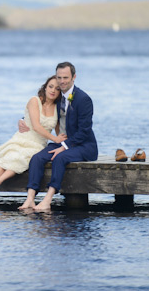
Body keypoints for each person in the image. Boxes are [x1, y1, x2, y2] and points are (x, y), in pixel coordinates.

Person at [18, 61, 98, 211]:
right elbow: (40, 111)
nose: (61, 81)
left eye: (65, 78)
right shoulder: (57, 96)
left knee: (60, 157)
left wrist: (64, 147)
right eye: (59, 77)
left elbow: (85, 130)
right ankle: (30, 199)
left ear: (74, 77)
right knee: (37, 158)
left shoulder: (83, 99)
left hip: (84, 145)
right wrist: (22, 119)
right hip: (63, 141)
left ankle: (48, 200)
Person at [0, 76, 67, 198]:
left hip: (38, 144)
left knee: (22, 157)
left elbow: (59, 131)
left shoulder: (57, 108)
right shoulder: (34, 101)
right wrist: (55, 139)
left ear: (60, 92)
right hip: (23, 138)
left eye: (57, 89)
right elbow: (36, 126)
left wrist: (65, 141)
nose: (53, 91)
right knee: (10, 154)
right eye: (50, 87)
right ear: (45, 87)